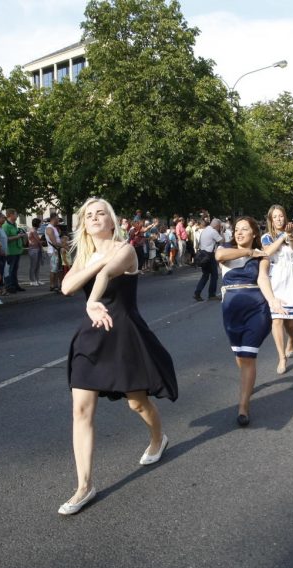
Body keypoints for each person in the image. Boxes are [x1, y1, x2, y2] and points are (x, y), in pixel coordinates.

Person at [58, 198, 178, 515]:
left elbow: (104, 276)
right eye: (89, 215)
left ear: (112, 221)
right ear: (83, 224)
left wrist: (93, 299)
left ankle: (158, 438)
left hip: (123, 335)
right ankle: (84, 486)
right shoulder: (85, 256)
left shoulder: (125, 249)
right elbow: (67, 287)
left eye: (101, 214)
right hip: (91, 338)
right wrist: (92, 265)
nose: (95, 218)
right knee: (81, 411)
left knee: (136, 402)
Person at [216, 216, 285, 427]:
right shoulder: (226, 250)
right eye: (237, 229)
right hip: (231, 310)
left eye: (244, 229)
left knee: (247, 357)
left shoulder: (261, 258)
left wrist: (272, 301)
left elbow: (263, 279)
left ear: (254, 233)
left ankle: (243, 406)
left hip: (256, 308)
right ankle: (248, 382)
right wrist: (248, 252)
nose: (239, 232)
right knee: (241, 357)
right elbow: (219, 255)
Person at [261, 205, 293, 375]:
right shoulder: (266, 237)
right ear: (271, 220)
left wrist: (290, 235)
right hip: (276, 276)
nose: (279, 219)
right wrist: (282, 237)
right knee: (277, 319)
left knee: (291, 322)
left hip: (292, 277)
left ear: (285, 217)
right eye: (275, 217)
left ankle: (292, 338)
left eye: (281, 216)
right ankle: (281, 357)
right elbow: (268, 252)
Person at [194, 218, 223, 301]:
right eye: (219, 226)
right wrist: (221, 231)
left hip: (202, 254)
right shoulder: (213, 231)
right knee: (214, 275)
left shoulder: (206, 229)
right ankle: (211, 294)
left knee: (205, 275)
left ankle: (197, 292)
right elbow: (222, 241)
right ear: (217, 226)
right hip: (209, 255)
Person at [2, 209, 26, 293]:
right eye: (16, 214)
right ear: (11, 215)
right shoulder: (5, 226)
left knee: (15, 269)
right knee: (10, 269)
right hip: (10, 251)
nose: (17, 216)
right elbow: (5, 239)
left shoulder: (14, 224)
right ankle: (10, 286)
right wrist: (18, 236)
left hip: (17, 250)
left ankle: (15, 285)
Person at [45, 214, 63, 292]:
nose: (58, 220)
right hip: (53, 251)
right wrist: (64, 245)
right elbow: (54, 242)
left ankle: (56, 285)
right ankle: (52, 285)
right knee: (54, 269)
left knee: (58, 269)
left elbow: (58, 240)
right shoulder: (49, 228)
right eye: (57, 219)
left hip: (57, 251)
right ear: (54, 219)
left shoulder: (54, 228)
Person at [27, 217, 43, 286]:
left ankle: (37, 279)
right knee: (33, 266)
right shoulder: (33, 231)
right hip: (33, 249)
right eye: (40, 223)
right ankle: (32, 280)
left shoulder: (34, 230)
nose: (41, 224)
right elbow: (38, 240)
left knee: (37, 265)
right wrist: (42, 242)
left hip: (37, 249)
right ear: (37, 224)